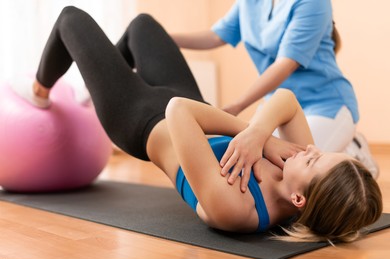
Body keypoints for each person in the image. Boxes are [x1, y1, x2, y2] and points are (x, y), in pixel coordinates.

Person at [12, 6, 382, 243]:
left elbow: (178, 113)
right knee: (143, 25)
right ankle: (100, 82)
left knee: (71, 19)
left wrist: (255, 135)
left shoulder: (238, 210)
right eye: (323, 152)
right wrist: (259, 138)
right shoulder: (297, 166)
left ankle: (40, 91)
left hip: (140, 118)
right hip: (189, 99)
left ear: (300, 199)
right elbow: (286, 99)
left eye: (317, 159)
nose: (313, 148)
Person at [171, 0, 379, 183]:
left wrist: (237, 106)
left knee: (290, 172)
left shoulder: (313, 2)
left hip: (326, 106)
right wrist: (164, 38)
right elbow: (216, 36)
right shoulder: (250, 2)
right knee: (249, 159)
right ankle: (343, 144)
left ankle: (353, 147)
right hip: (278, 108)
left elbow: (285, 65)